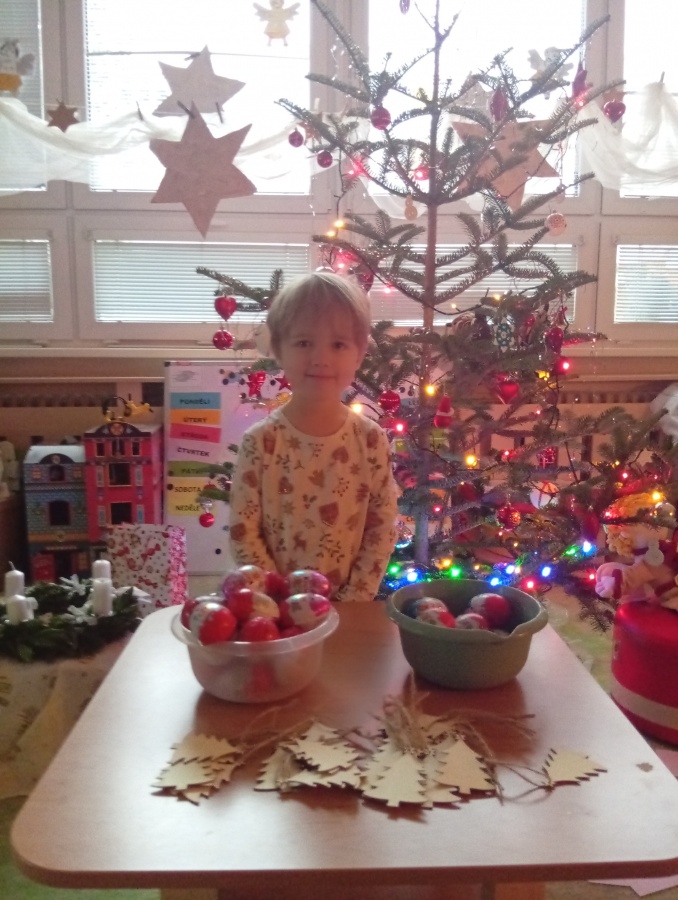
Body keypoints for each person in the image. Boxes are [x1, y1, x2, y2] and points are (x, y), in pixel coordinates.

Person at [228, 271, 399, 601]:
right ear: (278, 349)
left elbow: (381, 527)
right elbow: (243, 533)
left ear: (359, 353)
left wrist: (354, 599)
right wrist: (278, 601)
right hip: (275, 612)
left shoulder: (370, 439)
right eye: (304, 343)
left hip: (349, 610)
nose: (321, 359)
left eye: (338, 344)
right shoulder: (261, 441)